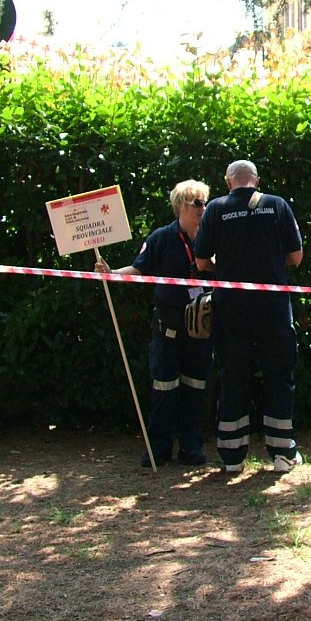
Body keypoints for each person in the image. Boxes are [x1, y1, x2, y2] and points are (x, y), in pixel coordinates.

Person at [193, 160, 305, 475]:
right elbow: (296, 256)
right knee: (279, 375)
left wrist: (229, 269)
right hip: (273, 304)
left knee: (232, 375)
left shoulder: (215, 209)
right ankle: (283, 451)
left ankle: (232, 457)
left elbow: (201, 262)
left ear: (228, 182)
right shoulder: (277, 205)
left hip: (232, 307)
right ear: (256, 180)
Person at [95, 180, 212, 467]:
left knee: (197, 388)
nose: (202, 208)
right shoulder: (161, 237)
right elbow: (140, 267)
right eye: (195, 203)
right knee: (164, 387)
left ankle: (191, 448)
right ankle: (158, 448)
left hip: (201, 327)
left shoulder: (212, 235)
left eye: (204, 202)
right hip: (168, 326)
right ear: (180, 206)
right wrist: (112, 274)